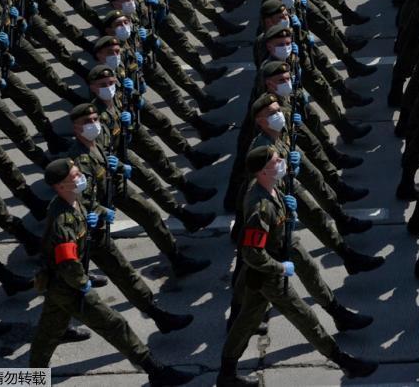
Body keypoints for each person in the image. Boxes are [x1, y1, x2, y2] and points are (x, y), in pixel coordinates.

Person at [217, 146, 378, 385]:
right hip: (268, 273)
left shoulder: (270, 188)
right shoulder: (260, 207)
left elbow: (277, 210)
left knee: (246, 320)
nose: (281, 161)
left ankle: (226, 374)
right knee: (304, 315)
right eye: (276, 160)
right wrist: (280, 269)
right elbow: (251, 253)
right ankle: (345, 362)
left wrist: (288, 211)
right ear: (262, 171)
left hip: (264, 270)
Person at [28, 158, 196, 386]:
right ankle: (156, 371)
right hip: (67, 285)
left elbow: (88, 204)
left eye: (79, 173)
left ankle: (32, 376)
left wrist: (99, 212)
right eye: (75, 176)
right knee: (114, 324)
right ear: (60, 187)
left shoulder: (73, 200)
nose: (81, 178)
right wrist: (82, 283)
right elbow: (68, 263)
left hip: (63, 284)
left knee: (50, 330)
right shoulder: (61, 221)